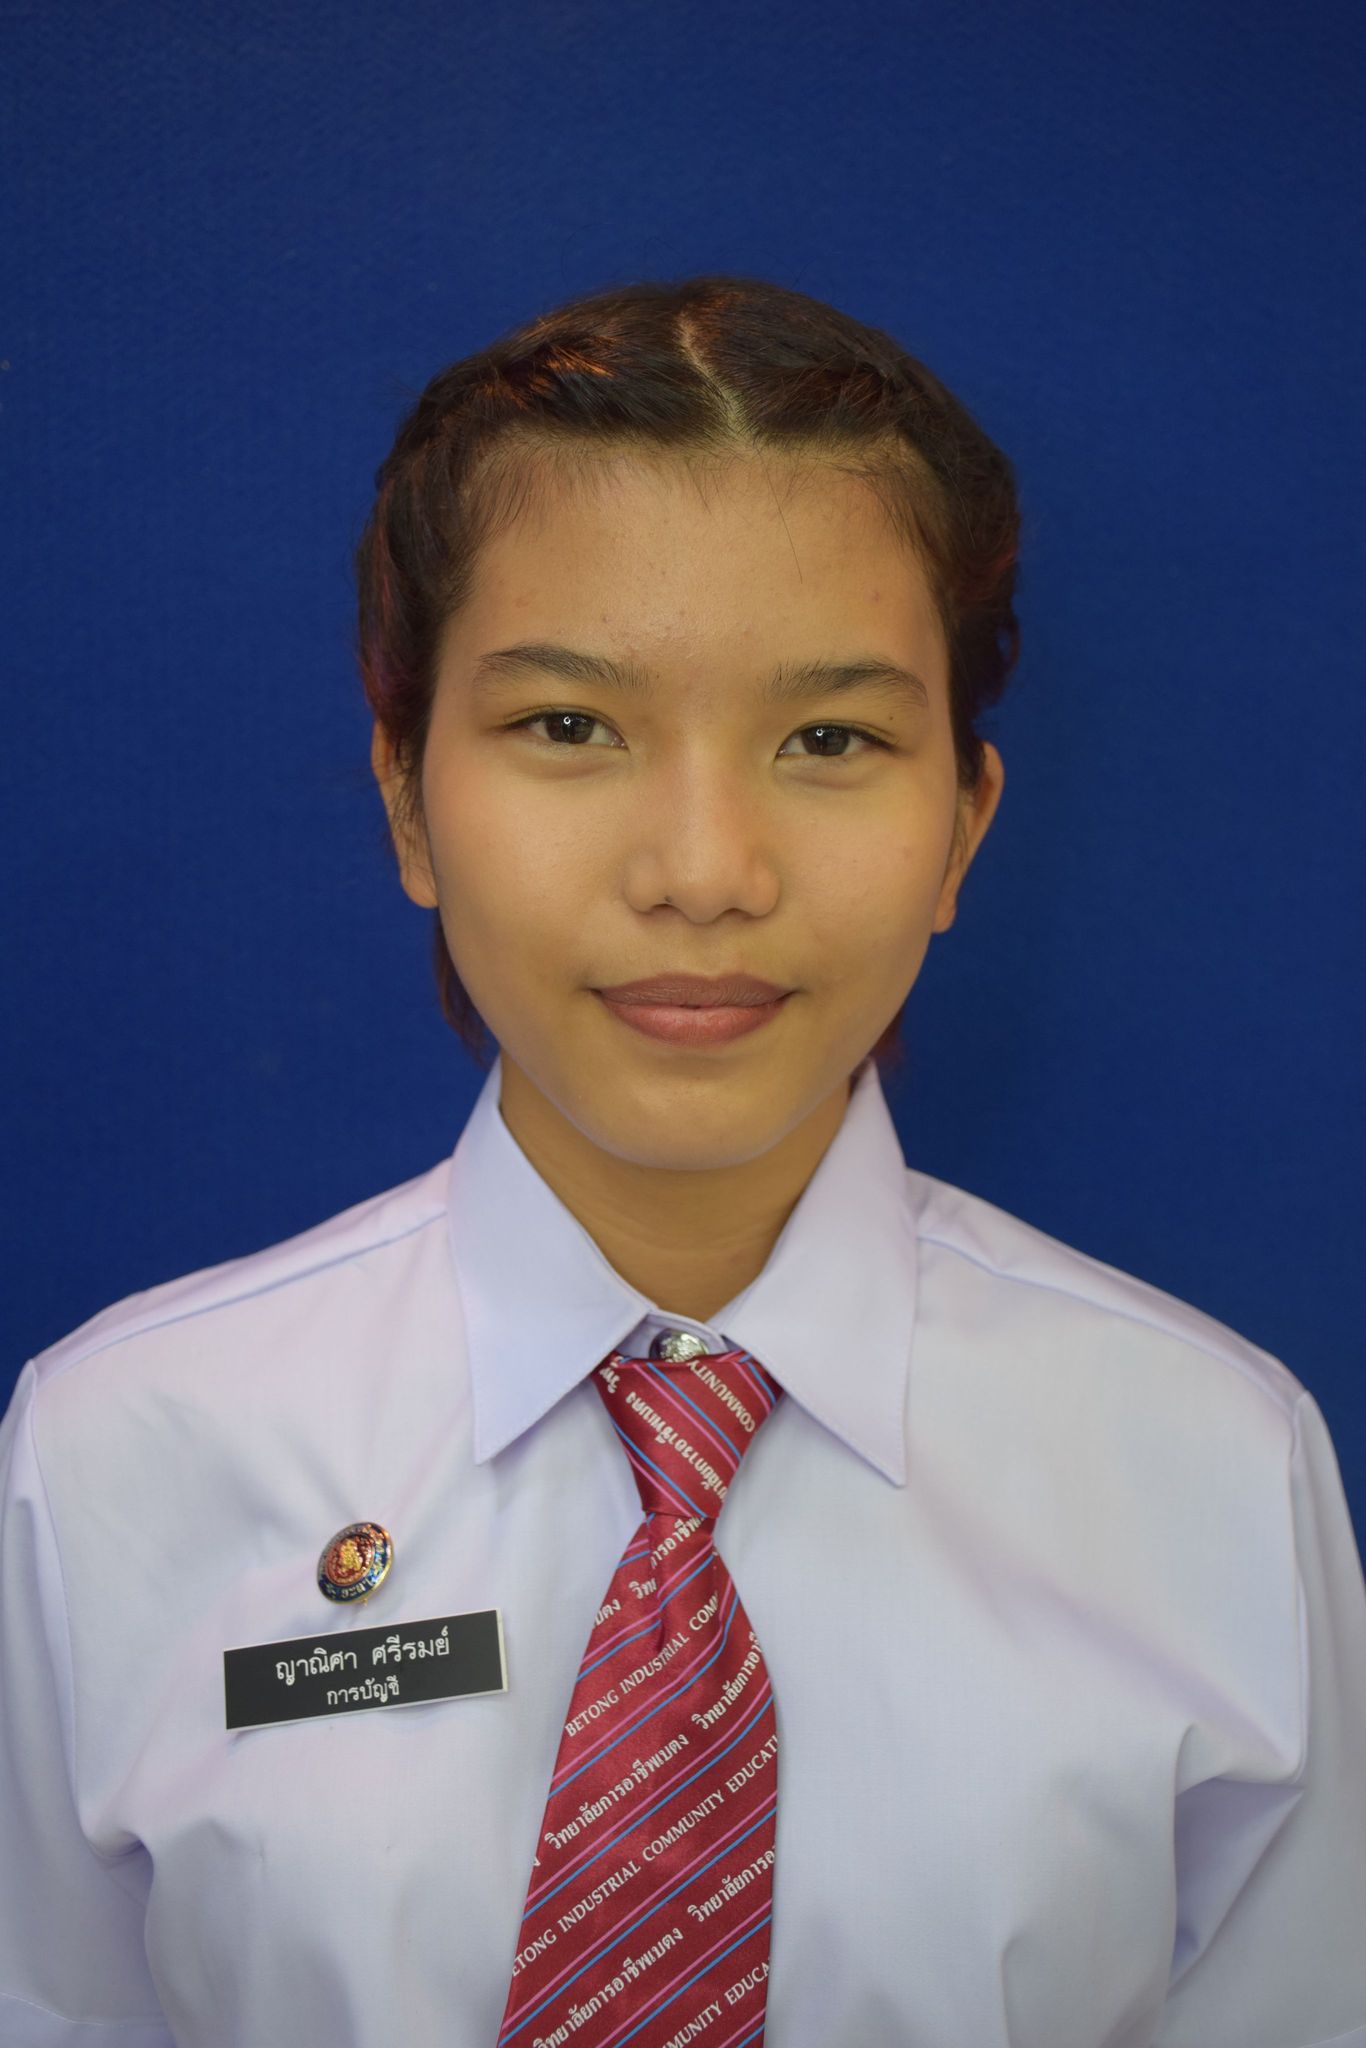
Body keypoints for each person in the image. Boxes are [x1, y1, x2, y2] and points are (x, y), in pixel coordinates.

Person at [1, 273, 1363, 2048]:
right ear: (408, 797)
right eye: (569, 726)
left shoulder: (1210, 1465)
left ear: (961, 826)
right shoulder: (116, 1455)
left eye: (829, 739)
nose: (706, 871)